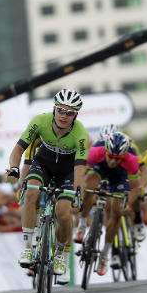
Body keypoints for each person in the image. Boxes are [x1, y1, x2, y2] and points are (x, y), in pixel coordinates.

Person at [6, 89, 89, 278]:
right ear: (54, 108)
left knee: (64, 212)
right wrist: (14, 168)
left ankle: (61, 254)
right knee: (31, 193)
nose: (63, 116)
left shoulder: (80, 133)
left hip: (68, 171)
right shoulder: (40, 121)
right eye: (60, 110)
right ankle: (27, 247)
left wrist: (78, 193)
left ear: (76, 114)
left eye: (69, 113)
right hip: (43, 163)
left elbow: (80, 169)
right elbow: (19, 149)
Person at [74, 132, 140, 275]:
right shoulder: (95, 151)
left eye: (117, 159)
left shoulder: (131, 159)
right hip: (99, 168)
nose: (113, 161)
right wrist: (81, 192)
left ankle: (105, 254)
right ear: (106, 151)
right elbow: (81, 174)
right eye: (110, 157)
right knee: (90, 185)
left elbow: (136, 188)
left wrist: (128, 203)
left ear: (124, 156)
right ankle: (83, 224)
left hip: (120, 176)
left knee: (117, 211)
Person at [97, 124, 147, 242]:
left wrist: (142, 186)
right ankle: (113, 245)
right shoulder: (96, 147)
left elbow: (144, 169)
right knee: (108, 206)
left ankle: (137, 220)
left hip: (125, 172)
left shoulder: (131, 147)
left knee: (134, 190)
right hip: (106, 174)